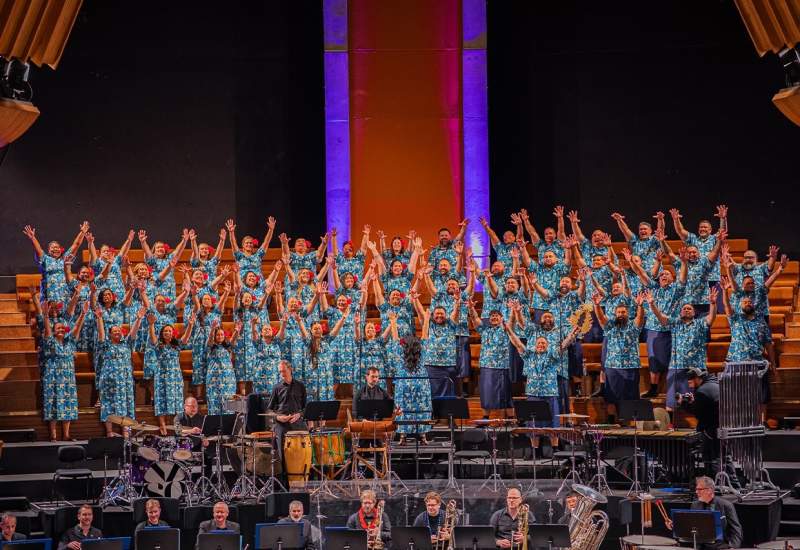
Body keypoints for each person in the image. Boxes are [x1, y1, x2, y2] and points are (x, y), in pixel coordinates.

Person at [678, 368, 738, 487]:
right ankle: (734, 484)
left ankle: (715, 486)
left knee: (711, 458)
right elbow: (707, 406)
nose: (689, 385)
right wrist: (694, 401)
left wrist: (683, 403)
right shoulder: (716, 384)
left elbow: (698, 413)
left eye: (690, 382)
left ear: (697, 378)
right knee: (725, 456)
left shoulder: (702, 391)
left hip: (712, 429)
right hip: (725, 426)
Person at [591, 292, 646, 411]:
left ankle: (630, 419)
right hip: (612, 367)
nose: (621, 314)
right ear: (615, 314)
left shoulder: (633, 326)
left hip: (630, 367)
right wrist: (597, 305)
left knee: (631, 397)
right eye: (619, 312)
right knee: (611, 397)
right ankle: (611, 419)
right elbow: (601, 318)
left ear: (628, 314)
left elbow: (640, 318)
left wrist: (640, 306)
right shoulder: (610, 326)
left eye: (623, 312)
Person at [665, 476, 742, 549]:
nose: (696, 492)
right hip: (701, 547)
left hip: (720, 546)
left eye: (699, 489)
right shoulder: (695, 505)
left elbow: (736, 530)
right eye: (696, 489)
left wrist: (732, 547)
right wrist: (674, 525)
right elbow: (692, 527)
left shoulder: (726, 505)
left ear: (709, 490)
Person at [266, 361, 308, 466]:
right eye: (280, 372)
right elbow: (269, 410)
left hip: (298, 424)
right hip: (282, 426)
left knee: (302, 456)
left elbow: (305, 408)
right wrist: (278, 417)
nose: (282, 374)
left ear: (290, 369)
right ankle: (284, 477)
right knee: (283, 458)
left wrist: (299, 414)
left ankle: (302, 476)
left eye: (284, 371)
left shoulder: (300, 386)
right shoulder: (276, 388)